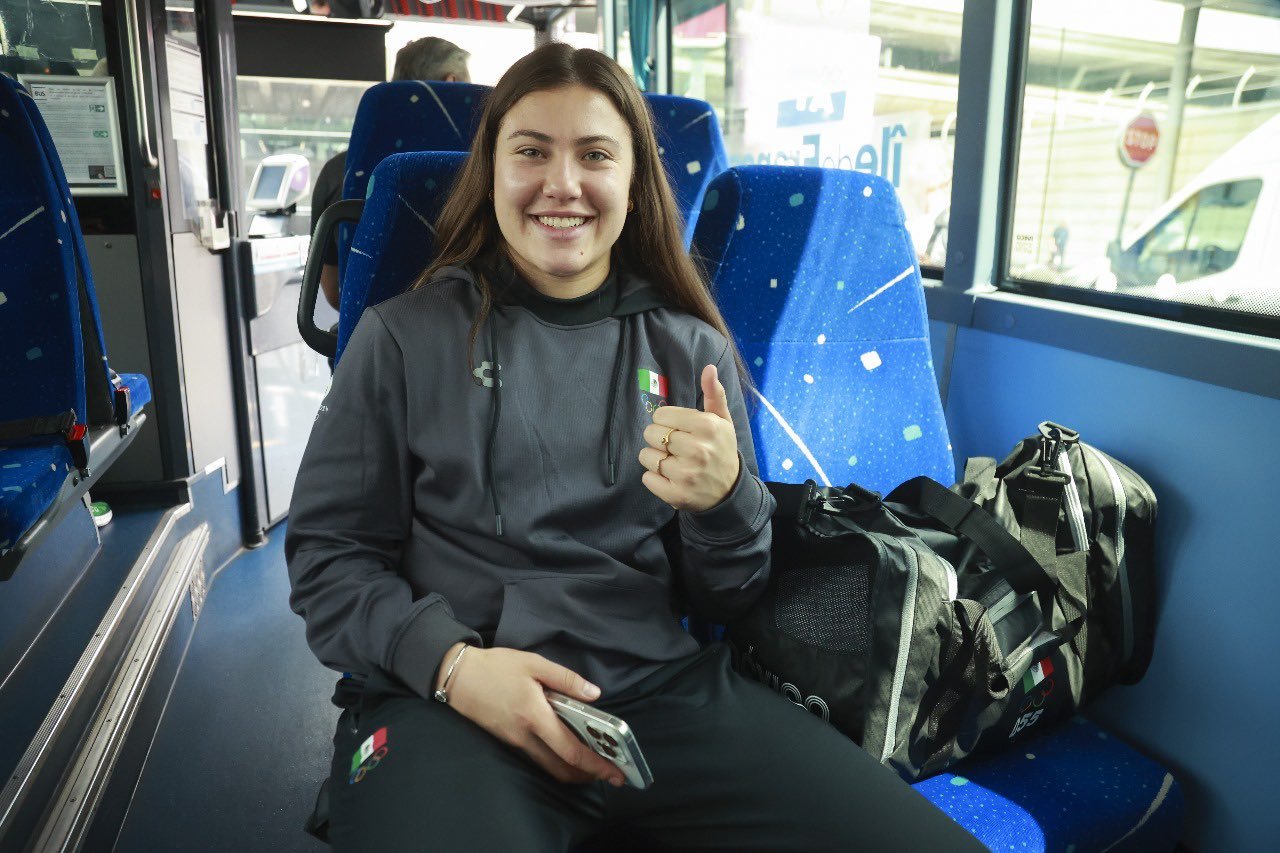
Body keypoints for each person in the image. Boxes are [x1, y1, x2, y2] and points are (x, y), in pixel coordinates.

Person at [285, 43, 984, 852]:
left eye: (594, 155)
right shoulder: (404, 338)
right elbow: (328, 559)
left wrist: (726, 503)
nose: (562, 183)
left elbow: (727, 594)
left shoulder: (690, 350)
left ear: (631, 181)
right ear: (492, 173)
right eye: (531, 152)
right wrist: (453, 667)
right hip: (456, 702)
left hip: (662, 698)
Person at [308, 36, 472, 310]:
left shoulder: (340, 171)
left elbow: (336, 292)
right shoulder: (484, 167)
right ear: (452, 81)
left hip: (368, 329)